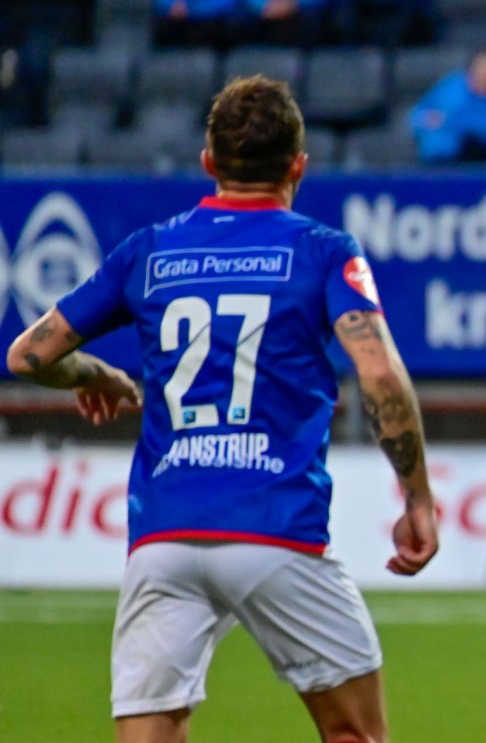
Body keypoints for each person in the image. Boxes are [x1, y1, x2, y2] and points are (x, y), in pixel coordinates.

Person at [4, 75, 438, 743]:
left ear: (208, 163)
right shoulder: (324, 252)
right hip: (275, 532)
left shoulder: (148, 251)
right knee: (356, 736)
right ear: (299, 166)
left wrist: (104, 376)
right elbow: (378, 371)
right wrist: (416, 495)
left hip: (164, 538)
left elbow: (29, 355)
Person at [409, 50, 486, 162]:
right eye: (480, 69)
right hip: (430, 159)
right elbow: (418, 114)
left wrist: (446, 122)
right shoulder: (452, 84)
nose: (484, 75)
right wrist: (424, 121)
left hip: (473, 162)